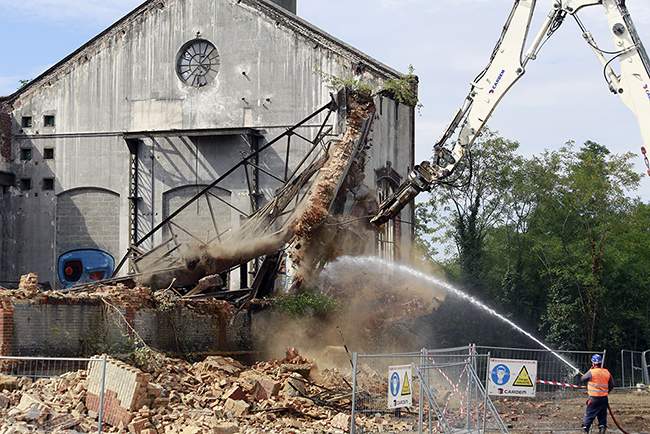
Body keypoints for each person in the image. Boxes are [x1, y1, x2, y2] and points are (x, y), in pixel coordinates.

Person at [581, 354, 614, 433]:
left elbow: (582, 378)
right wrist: (606, 392)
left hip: (594, 399)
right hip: (604, 399)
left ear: (593, 363)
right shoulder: (606, 372)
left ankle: (586, 429)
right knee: (602, 416)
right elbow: (612, 385)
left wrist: (590, 370)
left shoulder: (591, 372)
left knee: (589, 415)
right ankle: (602, 429)